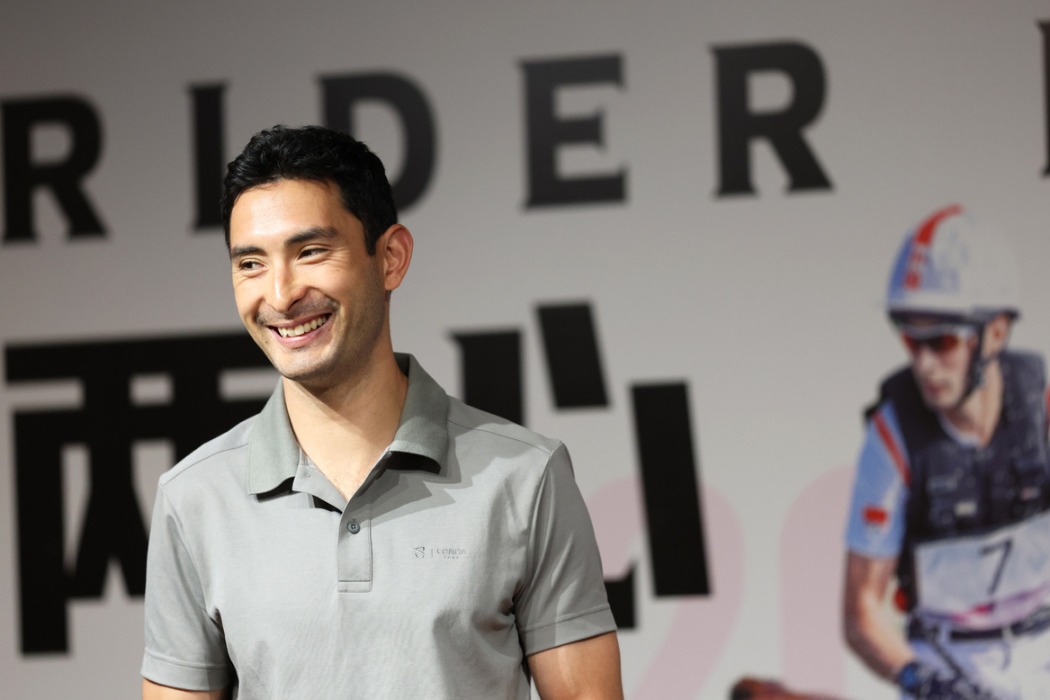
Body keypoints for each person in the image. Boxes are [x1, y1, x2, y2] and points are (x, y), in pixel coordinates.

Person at [140, 125, 622, 699]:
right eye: (250, 263)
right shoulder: (195, 498)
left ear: (391, 258)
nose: (281, 294)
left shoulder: (525, 477)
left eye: (310, 252)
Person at [843, 204, 1050, 699]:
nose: (925, 364)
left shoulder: (1043, 410)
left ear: (995, 332)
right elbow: (861, 611)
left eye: (941, 341)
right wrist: (920, 680)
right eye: (911, 341)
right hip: (945, 665)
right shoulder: (892, 436)